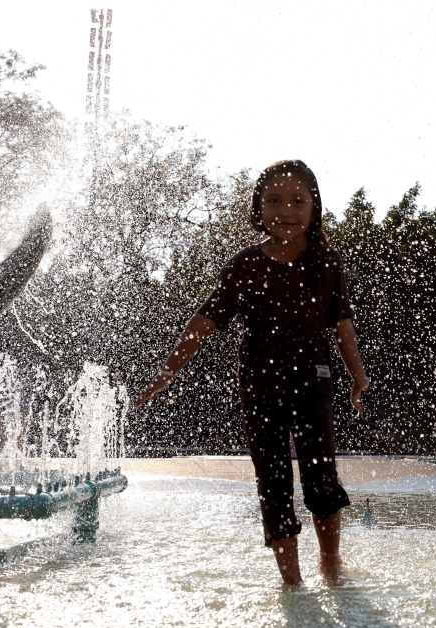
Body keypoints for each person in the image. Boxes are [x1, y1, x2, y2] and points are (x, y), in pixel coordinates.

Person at [135, 160, 369, 586]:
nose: (286, 210)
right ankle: (292, 581)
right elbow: (205, 320)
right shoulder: (246, 265)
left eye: (298, 201)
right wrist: (168, 370)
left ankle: (330, 562)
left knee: (321, 477)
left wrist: (358, 375)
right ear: (258, 209)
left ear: (315, 207)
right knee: (274, 483)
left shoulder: (327, 263)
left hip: (313, 383)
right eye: (274, 201)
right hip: (260, 388)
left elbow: (343, 324)